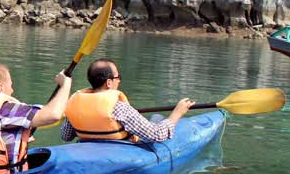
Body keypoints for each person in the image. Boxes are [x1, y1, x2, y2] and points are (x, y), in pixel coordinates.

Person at [60, 58, 194, 143]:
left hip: (86, 150)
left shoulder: (74, 103)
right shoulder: (119, 108)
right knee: (157, 117)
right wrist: (177, 113)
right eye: (118, 77)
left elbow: (66, 136)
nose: (119, 80)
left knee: (155, 117)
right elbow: (157, 135)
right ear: (109, 82)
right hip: (118, 152)